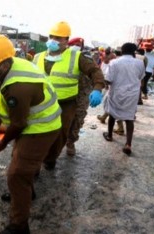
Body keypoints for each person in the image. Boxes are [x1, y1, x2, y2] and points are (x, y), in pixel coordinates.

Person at [0, 33, 62, 234]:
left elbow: (19, 123)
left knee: (16, 174)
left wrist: (2, 142)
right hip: (31, 124)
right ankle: (27, 192)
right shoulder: (5, 70)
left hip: (41, 128)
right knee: (20, 163)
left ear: (2, 63)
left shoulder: (18, 86)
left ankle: (19, 226)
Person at [33, 22, 105, 169]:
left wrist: (97, 88)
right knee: (37, 133)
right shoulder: (37, 57)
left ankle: (51, 158)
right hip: (40, 104)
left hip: (65, 104)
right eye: (52, 36)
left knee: (60, 135)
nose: (54, 40)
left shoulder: (76, 56)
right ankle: (35, 163)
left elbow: (95, 71)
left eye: (59, 38)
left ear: (66, 40)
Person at [102, 43, 145, 155]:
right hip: (132, 94)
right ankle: (128, 144)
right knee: (129, 118)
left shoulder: (114, 62)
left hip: (116, 92)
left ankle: (110, 135)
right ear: (133, 51)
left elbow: (109, 79)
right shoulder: (139, 63)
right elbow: (140, 78)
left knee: (112, 114)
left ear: (122, 51)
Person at [65, 37, 93, 156]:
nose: (76, 46)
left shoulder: (87, 59)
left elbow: (95, 73)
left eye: (78, 45)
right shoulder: (62, 58)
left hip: (81, 95)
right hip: (65, 94)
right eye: (74, 44)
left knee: (77, 119)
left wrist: (96, 88)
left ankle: (70, 143)